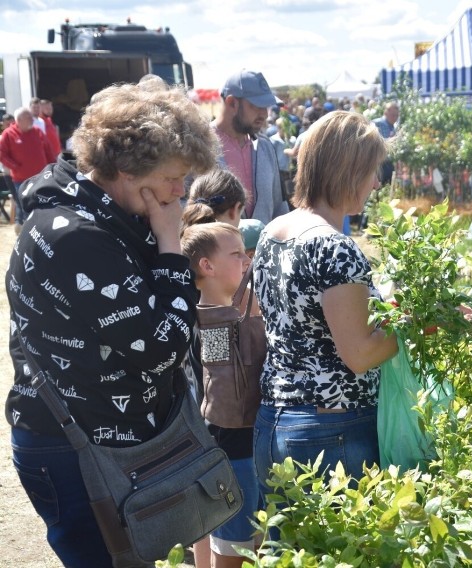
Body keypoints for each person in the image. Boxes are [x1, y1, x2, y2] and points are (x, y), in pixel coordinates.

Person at [5, 81, 219, 566]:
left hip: (110, 439)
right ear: (126, 169)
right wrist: (170, 245)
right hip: (76, 451)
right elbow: (160, 347)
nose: (180, 192)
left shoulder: (106, 214)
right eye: (174, 177)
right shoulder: (77, 236)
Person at [252, 111, 398, 498]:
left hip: (274, 424)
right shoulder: (335, 248)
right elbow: (360, 355)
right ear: (348, 171)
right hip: (332, 432)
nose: (376, 182)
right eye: (371, 170)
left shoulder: (272, 231)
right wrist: (411, 320)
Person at [181, 222, 256, 568]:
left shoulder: (218, 316)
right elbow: (226, 398)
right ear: (206, 266)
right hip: (234, 455)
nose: (246, 261)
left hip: (225, 454)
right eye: (236, 254)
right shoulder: (213, 324)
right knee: (234, 553)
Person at [213, 69, 288, 225]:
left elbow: (278, 209)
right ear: (232, 102)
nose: (265, 115)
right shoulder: (199, 146)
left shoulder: (265, 147)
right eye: (257, 106)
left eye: (266, 107)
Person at [0, 107, 55, 231]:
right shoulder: (8, 134)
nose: (32, 120)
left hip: (41, 177)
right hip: (21, 179)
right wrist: (15, 166)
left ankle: (36, 227)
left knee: (41, 203)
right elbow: (2, 154)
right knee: (25, 204)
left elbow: (48, 150)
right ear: (19, 120)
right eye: (28, 118)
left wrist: (53, 167)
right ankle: (27, 229)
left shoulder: (37, 131)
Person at [373, 102, 399, 185]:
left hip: (388, 163)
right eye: (393, 115)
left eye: (396, 115)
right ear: (386, 113)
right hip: (380, 164)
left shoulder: (392, 126)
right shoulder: (378, 124)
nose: (395, 118)